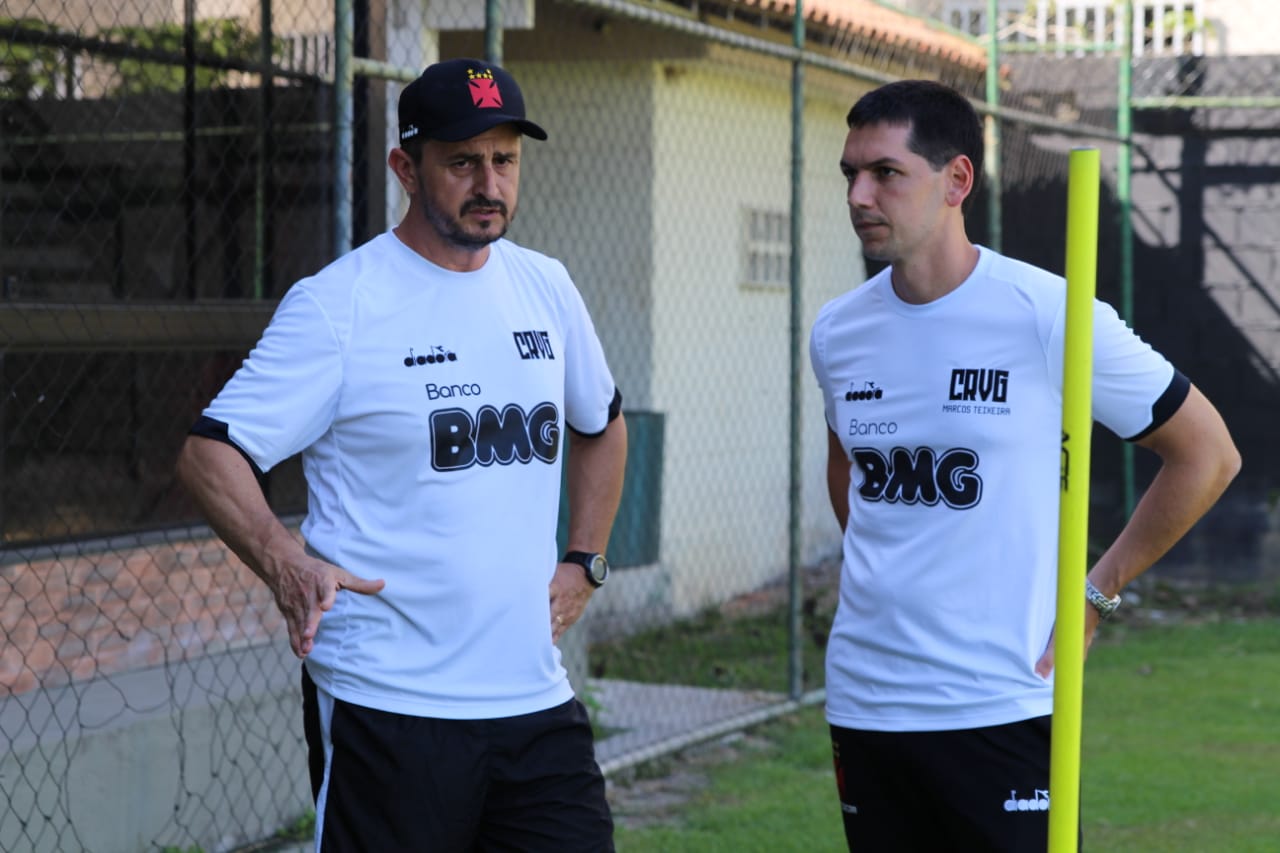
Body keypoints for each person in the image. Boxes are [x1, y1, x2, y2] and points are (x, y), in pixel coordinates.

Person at [176, 57, 627, 852]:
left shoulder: (547, 287)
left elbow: (601, 422)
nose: (489, 183)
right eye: (462, 161)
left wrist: (584, 558)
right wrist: (284, 560)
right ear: (405, 169)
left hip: (533, 701)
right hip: (390, 706)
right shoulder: (340, 304)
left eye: (505, 159)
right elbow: (210, 454)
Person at [809, 79, 1239, 852]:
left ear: (956, 181)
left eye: (885, 173)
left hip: (1002, 702)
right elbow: (850, 469)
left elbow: (1207, 454)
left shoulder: (1046, 315)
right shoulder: (838, 331)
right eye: (851, 174)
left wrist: (1096, 592)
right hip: (866, 702)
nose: (859, 195)